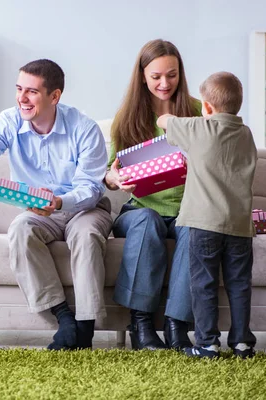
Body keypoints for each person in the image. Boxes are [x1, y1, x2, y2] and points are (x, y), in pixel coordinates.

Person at [0, 59, 112, 350]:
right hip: (37, 211)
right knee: (20, 227)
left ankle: (86, 327)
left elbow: (91, 188)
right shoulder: (9, 121)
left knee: (87, 234)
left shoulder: (84, 128)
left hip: (83, 208)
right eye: (19, 89)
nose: (22, 98)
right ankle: (64, 318)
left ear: (54, 96)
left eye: (31, 91)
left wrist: (59, 201)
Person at [104, 39, 201, 350]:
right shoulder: (128, 116)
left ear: (180, 74)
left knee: (196, 227)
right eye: (156, 76)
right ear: (143, 76)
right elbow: (108, 173)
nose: (164, 83)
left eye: (171, 75)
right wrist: (115, 177)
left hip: (188, 208)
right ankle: (141, 324)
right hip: (140, 209)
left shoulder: (198, 111)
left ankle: (177, 326)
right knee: (146, 220)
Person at [156, 71, 257, 359]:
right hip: (239, 226)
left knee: (204, 285)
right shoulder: (246, 133)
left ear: (207, 107)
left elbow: (164, 122)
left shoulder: (199, 129)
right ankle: (242, 343)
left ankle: (207, 343)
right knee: (239, 285)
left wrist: (185, 119)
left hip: (203, 225)